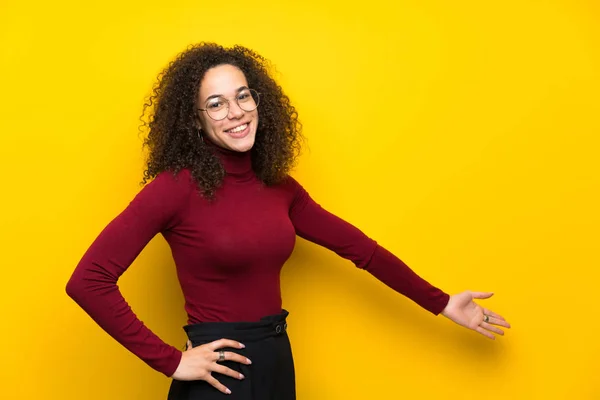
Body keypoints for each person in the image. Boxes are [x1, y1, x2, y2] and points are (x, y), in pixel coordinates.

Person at [66, 42, 510, 399]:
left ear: (260, 100)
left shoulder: (279, 187)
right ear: (195, 121)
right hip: (220, 376)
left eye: (242, 96)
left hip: (278, 361)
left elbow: (363, 251)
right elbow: (89, 281)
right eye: (215, 104)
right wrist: (172, 361)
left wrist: (442, 302)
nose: (236, 112)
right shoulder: (174, 188)